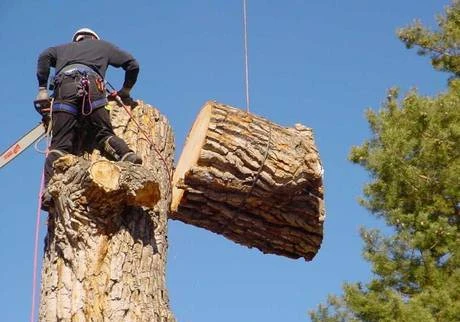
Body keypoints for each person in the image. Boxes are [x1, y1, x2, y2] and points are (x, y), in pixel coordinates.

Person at [35, 28, 142, 210]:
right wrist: (125, 91)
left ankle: (51, 189)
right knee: (103, 133)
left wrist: (42, 89)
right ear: (94, 38)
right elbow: (133, 64)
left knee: (60, 145)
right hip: (94, 89)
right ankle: (126, 155)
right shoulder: (103, 46)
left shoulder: (62, 49)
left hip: (65, 89)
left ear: (77, 40)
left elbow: (44, 56)